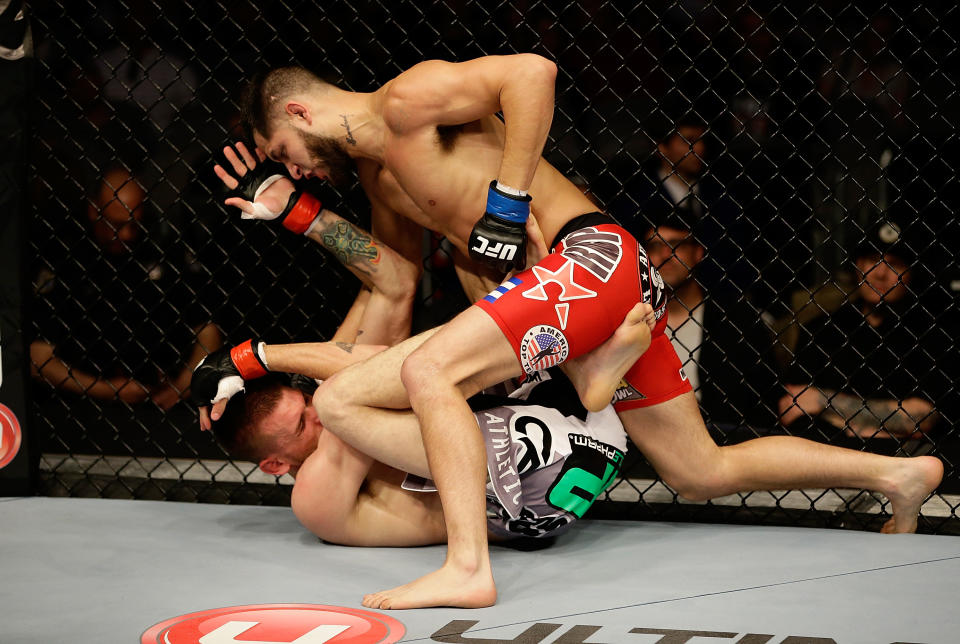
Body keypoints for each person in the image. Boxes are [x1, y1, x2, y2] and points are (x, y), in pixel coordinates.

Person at [228, 55, 943, 609]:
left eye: (281, 146)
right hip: (573, 298)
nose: (290, 164)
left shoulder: (408, 100)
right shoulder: (383, 179)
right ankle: (897, 475)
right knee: (700, 471)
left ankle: (469, 566)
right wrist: (297, 213)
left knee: (430, 373)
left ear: (299, 108)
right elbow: (393, 274)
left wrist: (508, 202)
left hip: (588, 261)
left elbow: (532, 75)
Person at [198, 339, 630, 547]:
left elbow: (391, 308)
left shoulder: (355, 435)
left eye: (307, 403)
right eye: (300, 426)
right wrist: (249, 356)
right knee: (411, 371)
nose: (317, 417)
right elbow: (382, 367)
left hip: (582, 434)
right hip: (526, 497)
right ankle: (584, 371)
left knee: (447, 355)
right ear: (275, 466)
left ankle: (587, 375)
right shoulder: (314, 499)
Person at [31, 165, 221, 411]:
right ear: (93, 210)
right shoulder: (65, 256)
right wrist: (108, 391)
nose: (128, 234)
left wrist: (183, 386)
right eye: (116, 225)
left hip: (164, 400)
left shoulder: (161, 246)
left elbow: (208, 330)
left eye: (134, 223)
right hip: (79, 407)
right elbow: (37, 357)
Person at [779, 222, 945, 442]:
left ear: (910, 273)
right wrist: (886, 425)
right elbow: (791, 406)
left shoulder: (932, 334)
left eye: (894, 265)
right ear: (858, 267)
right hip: (827, 453)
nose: (881, 273)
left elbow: (924, 417)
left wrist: (824, 403)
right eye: (872, 261)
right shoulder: (823, 329)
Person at [643, 215, 780, 432]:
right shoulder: (634, 319)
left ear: (698, 253)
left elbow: (764, 401)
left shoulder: (736, 320)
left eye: (676, 245)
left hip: (721, 438)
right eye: (655, 245)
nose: (665, 254)